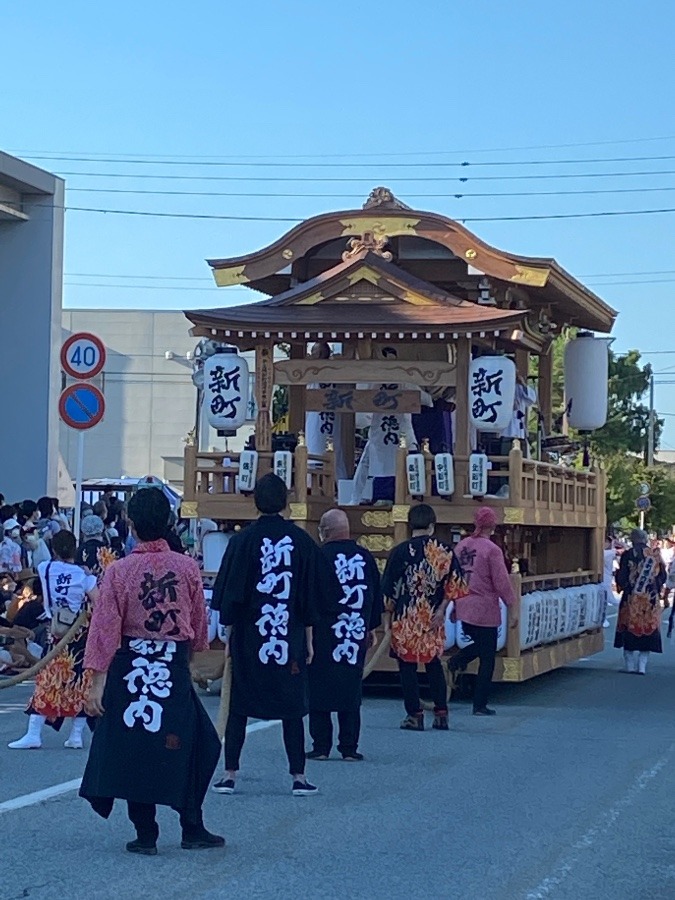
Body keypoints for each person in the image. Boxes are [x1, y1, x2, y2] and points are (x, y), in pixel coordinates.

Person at [79, 487, 223, 855]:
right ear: (169, 523)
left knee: (135, 747)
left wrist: (96, 681)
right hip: (170, 665)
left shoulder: (119, 571)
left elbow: (104, 629)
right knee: (195, 745)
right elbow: (198, 626)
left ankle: (146, 833)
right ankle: (191, 824)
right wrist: (190, 662)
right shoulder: (187, 567)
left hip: (131, 669)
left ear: (130, 524)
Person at [211, 473, 323, 796]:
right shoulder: (301, 542)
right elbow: (309, 598)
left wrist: (228, 636)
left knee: (239, 705)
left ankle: (230, 773)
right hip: (289, 638)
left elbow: (229, 596)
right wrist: (310, 639)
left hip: (249, 638)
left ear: (255, 501)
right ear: (286, 503)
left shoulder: (242, 541)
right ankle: (298, 776)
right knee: (292, 707)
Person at [8, 530, 99, 750]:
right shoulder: (84, 577)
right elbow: (98, 602)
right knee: (80, 682)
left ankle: (34, 733)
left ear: (55, 549)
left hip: (56, 632)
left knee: (47, 682)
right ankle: (76, 735)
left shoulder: (45, 568)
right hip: (78, 634)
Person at [381, 503, 467, 731]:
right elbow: (456, 584)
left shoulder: (400, 552)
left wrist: (387, 618)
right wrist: (441, 609)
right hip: (432, 616)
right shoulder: (444, 551)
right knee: (433, 663)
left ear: (410, 525)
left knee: (406, 666)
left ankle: (414, 715)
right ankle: (441, 713)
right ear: (431, 525)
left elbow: (389, 588)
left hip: (406, 616)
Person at [307, 509, 383, 761]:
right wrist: (372, 626)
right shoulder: (364, 557)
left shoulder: (318, 557)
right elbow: (374, 595)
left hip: (323, 634)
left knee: (319, 688)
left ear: (325, 532)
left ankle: (321, 746)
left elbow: (308, 599)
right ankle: (349, 747)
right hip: (354, 631)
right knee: (351, 688)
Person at [450, 507, 518, 716]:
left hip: (463, 604)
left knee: (480, 646)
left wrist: (452, 603)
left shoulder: (460, 547)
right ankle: (479, 703)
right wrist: (512, 606)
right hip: (484, 608)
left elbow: (452, 577)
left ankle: (456, 663)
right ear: (493, 525)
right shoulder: (492, 550)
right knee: (487, 656)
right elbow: (502, 582)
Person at [614, 528, 666, 675]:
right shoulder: (655, 555)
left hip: (631, 598)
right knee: (647, 629)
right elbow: (662, 575)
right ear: (645, 539)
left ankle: (629, 666)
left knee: (629, 628)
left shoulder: (628, 554)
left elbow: (622, 576)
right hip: (650, 598)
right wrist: (656, 588)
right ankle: (642, 666)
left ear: (632, 539)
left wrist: (622, 585)